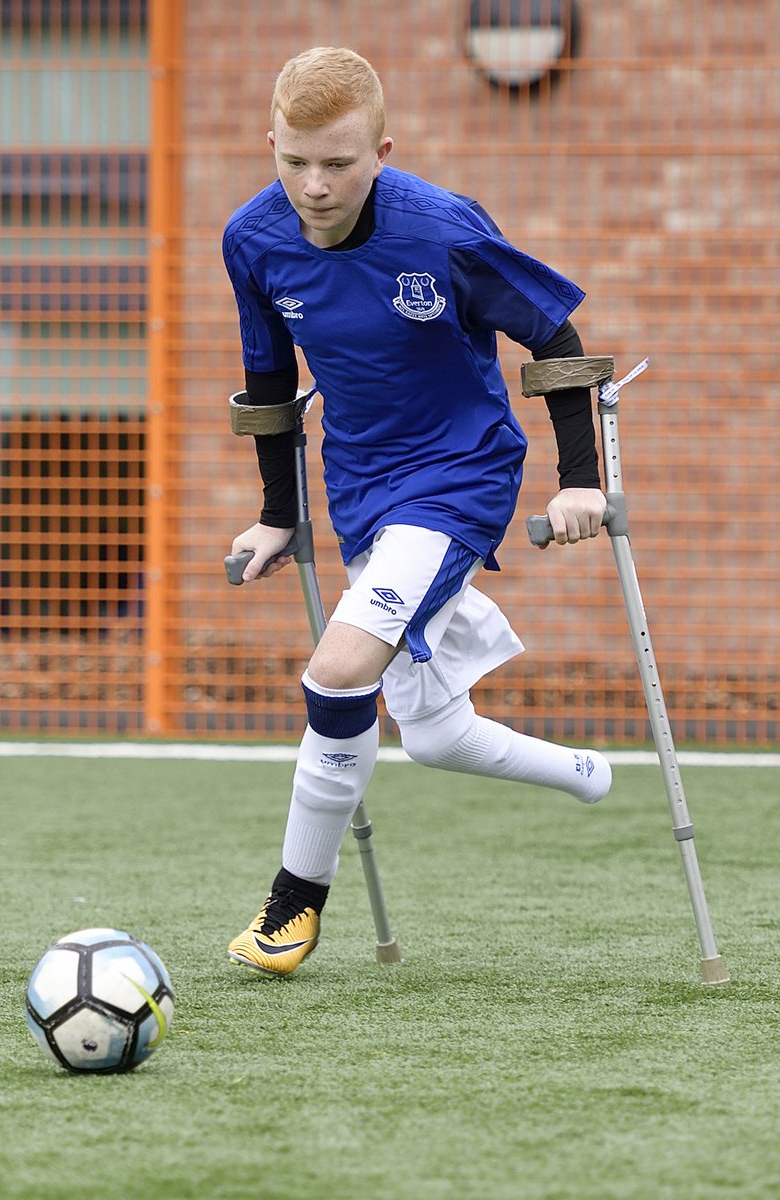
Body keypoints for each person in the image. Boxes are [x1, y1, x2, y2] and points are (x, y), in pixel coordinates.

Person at [222, 46, 611, 977]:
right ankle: (589, 773)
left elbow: (554, 337)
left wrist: (580, 479)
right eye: (295, 162)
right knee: (434, 735)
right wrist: (279, 513)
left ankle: (292, 907)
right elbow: (269, 384)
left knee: (338, 669)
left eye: (340, 163)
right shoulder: (251, 239)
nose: (316, 186)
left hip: (461, 475)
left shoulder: (442, 230)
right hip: (361, 488)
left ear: (382, 152)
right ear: (271, 144)